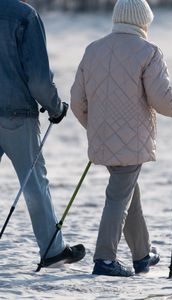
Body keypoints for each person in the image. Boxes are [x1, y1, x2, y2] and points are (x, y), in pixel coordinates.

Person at [71, 0, 172, 277]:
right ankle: (104, 259)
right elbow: (162, 100)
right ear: (143, 21)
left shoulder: (93, 49)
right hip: (132, 140)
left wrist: (97, 129)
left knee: (127, 191)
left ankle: (142, 255)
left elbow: (77, 101)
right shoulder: (148, 52)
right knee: (119, 195)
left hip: (103, 139)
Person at [0, 0, 85, 267]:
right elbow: (38, 77)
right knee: (34, 182)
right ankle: (52, 249)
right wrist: (55, 107)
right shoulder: (24, 15)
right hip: (16, 114)